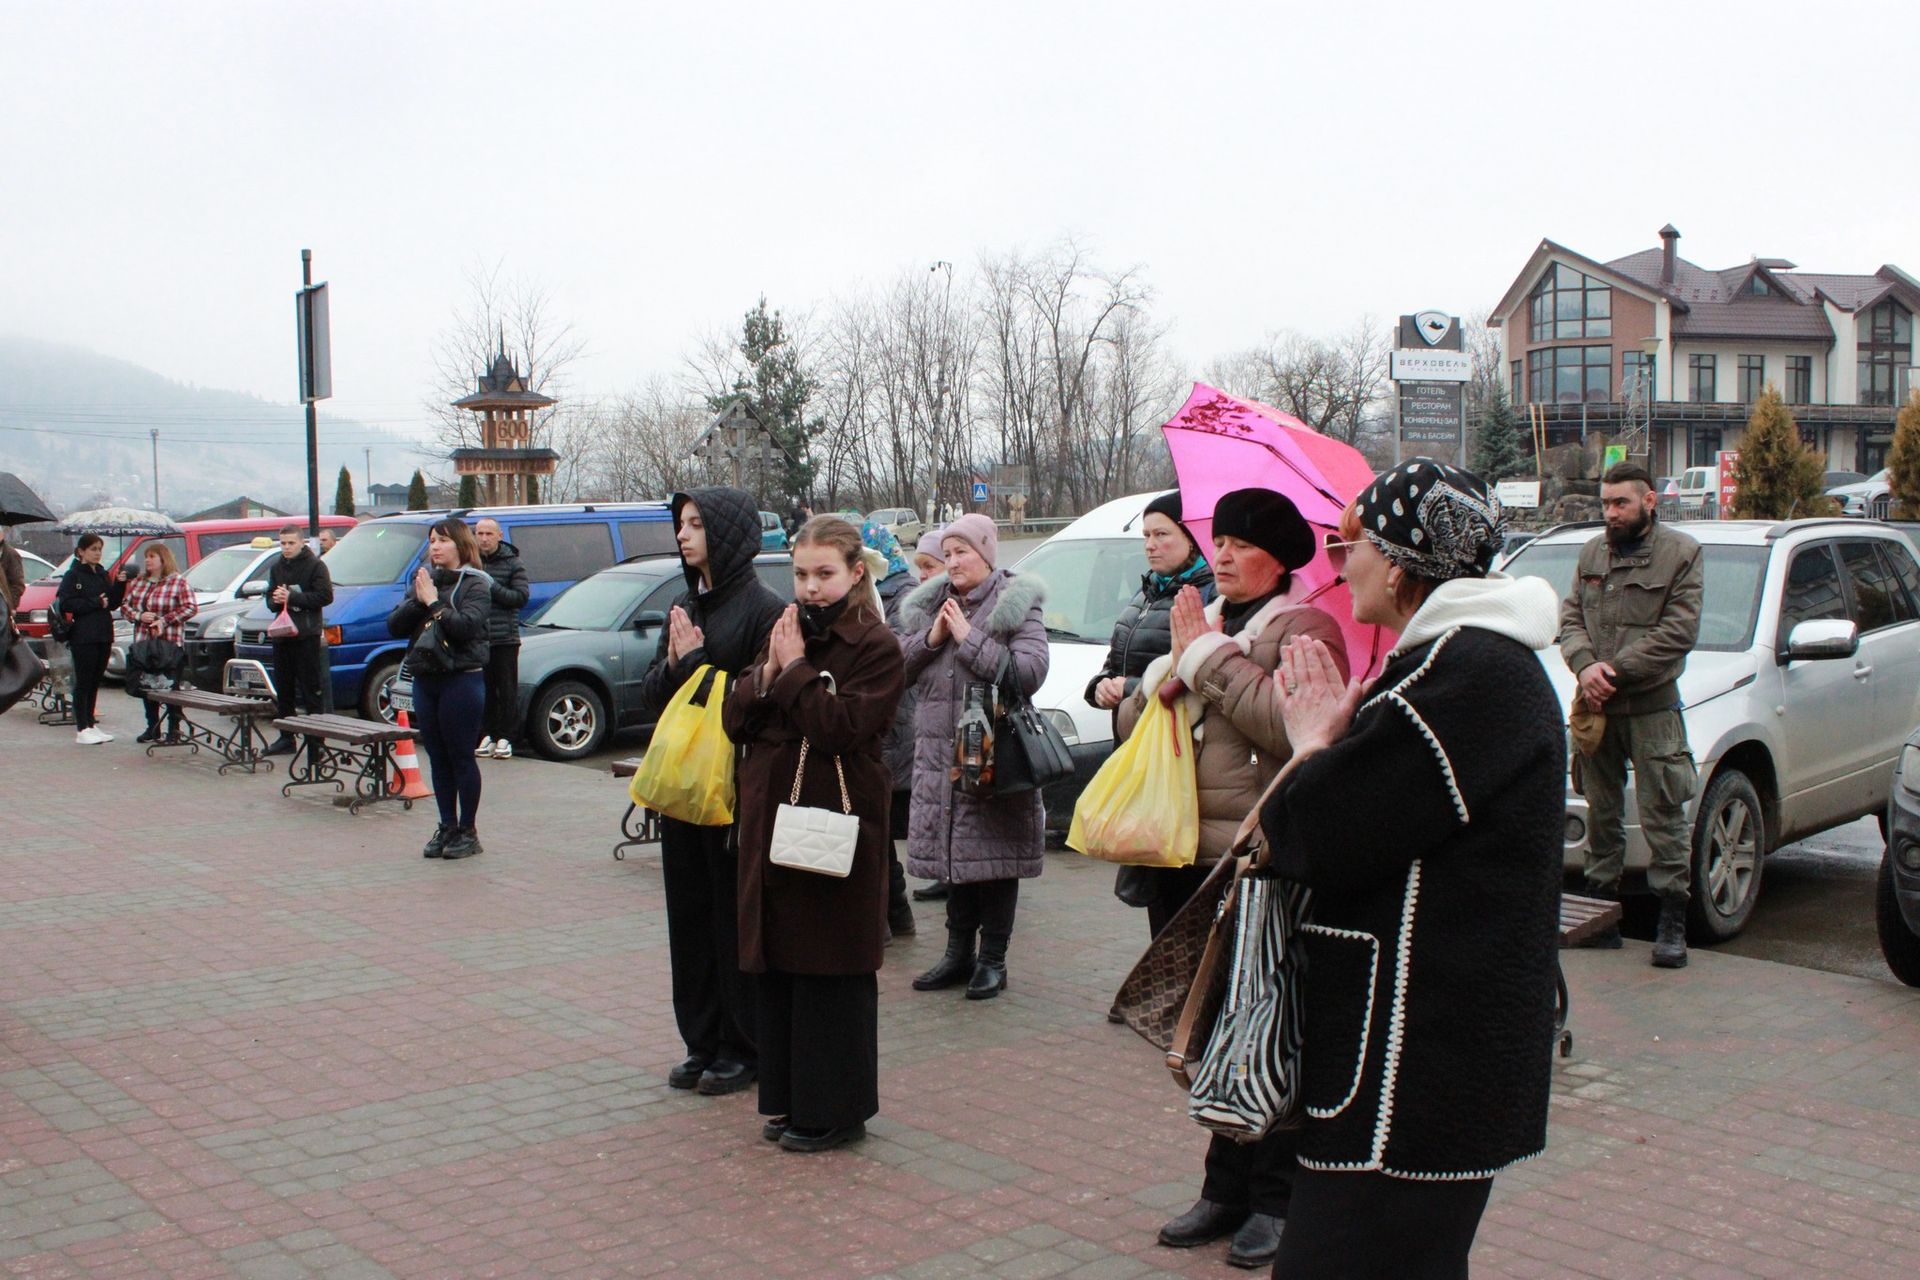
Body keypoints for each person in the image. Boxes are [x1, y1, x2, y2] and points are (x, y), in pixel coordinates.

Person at [1258, 459, 1562, 1278]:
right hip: (1427, 1064)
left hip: (1410, 1073)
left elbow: (1309, 835)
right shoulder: (1469, 665)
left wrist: (1312, 745)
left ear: (1394, 562)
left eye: (1346, 543)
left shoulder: (1460, 679)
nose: (1336, 561)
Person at [1116, 487, 1339, 1271]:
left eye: (1243, 546)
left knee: (1264, 1027)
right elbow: (1139, 730)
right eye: (1223, 543)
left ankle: (1277, 1199)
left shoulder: (1305, 628)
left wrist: (1207, 661)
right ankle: (1225, 1186)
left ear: (1279, 558)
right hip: (1185, 853)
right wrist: (1156, 680)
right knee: (1210, 1029)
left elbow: (1295, 728)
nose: (1226, 557)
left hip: (1257, 859)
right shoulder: (1210, 623)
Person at [722, 516, 904, 1153]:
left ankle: (838, 1109)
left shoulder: (875, 643)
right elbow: (735, 718)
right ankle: (792, 1098)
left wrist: (795, 669)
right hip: (773, 824)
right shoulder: (787, 629)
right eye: (800, 575)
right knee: (783, 966)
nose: (810, 588)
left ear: (856, 573)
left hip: (836, 823)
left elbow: (841, 729)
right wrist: (771, 673)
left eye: (824, 574)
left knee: (831, 966)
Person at [636, 487, 785, 1096]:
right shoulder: (684, 604)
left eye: (696, 524)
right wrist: (677, 667)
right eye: (679, 523)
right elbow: (653, 694)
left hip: (733, 791)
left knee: (731, 920)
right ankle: (700, 1040)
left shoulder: (764, 609)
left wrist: (697, 665)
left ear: (726, 533)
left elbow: (759, 704)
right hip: (683, 791)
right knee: (690, 918)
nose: (682, 534)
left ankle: (740, 1045)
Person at [898, 512, 1049, 1000]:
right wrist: (933, 640)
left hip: (994, 757)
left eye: (962, 552)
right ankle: (957, 953)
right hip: (942, 757)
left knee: (996, 858)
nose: (952, 561)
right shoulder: (929, 607)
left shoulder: (1016, 604)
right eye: (948, 552)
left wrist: (969, 639)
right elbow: (895, 671)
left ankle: (993, 960)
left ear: (986, 554)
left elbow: (1029, 672)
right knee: (955, 855)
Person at [1559, 460, 1704, 968]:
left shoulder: (1681, 554)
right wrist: (1583, 666)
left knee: (1664, 813)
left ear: (1649, 501)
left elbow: (1678, 634)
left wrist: (1611, 672)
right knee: (1601, 811)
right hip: (1596, 708)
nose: (1611, 513)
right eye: (1605, 503)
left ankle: (1671, 922)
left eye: (1620, 502)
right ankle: (1600, 913)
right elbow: (1571, 615)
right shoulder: (1593, 551)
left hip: (1650, 708)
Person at [386, 519, 494, 860]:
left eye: (443, 541)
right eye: (432, 540)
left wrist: (434, 603)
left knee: (461, 756)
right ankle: (446, 826)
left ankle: (468, 830)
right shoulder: (423, 580)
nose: (435, 547)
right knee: (437, 757)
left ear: (460, 545)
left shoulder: (477, 583)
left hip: (461, 679)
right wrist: (419, 600)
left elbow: (465, 627)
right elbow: (394, 625)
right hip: (426, 678)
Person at [1086, 491, 1215, 714]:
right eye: (1147, 535)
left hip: (1172, 739)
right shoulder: (1146, 591)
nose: (1149, 545)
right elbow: (1116, 663)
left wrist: (1129, 688)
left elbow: (1201, 682)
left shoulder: (1208, 595)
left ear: (1191, 540)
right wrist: (1101, 686)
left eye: (1161, 534)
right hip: (1131, 737)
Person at [863, 518, 920, 941]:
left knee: (875, 829)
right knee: (876, 831)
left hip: (895, 728)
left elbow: (898, 659)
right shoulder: (884, 592)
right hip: (892, 728)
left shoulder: (899, 596)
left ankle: (887, 918)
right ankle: (895, 914)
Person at [906, 526, 951, 903]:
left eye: (929, 565)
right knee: (935, 800)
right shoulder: (921, 609)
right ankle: (943, 871)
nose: (922, 574)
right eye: (919, 566)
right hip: (931, 723)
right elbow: (902, 663)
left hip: (960, 728)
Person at [262, 526, 333, 757]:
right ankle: (286, 737)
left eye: (291, 543)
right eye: (282, 543)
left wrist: (293, 597)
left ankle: (316, 742)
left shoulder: (315, 565)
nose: (286, 548)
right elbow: (270, 599)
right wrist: (275, 599)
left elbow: (325, 596)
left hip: (306, 636)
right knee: (284, 689)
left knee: (311, 689)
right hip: (283, 636)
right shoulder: (277, 567)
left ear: (302, 543)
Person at [120, 543, 197, 743]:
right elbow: (125, 606)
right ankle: (152, 727)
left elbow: (190, 607)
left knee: (170, 686)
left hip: (169, 643)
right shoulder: (140, 582)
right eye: (146, 557)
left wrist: (165, 620)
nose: (147, 561)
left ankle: (174, 729)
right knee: (147, 686)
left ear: (163, 559)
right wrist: (139, 615)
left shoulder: (178, 582)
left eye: (152, 556)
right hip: (144, 643)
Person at [54, 534, 126, 745]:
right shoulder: (73, 575)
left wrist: (120, 585)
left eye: (99, 549)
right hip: (83, 635)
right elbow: (66, 603)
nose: (97, 553)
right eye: (93, 549)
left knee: (95, 680)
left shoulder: (102, 574)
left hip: (103, 633)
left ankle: (91, 724)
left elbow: (112, 603)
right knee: (83, 681)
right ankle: (82, 727)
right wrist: (94, 602)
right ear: (81, 551)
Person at [471, 517, 530, 760]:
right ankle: (486, 734)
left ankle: (506, 738)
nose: (483, 538)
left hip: (505, 638)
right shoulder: (472, 562)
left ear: (499, 536)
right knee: (483, 690)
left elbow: (520, 597)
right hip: (479, 637)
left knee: (506, 690)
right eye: (479, 533)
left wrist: (492, 586)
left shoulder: (513, 563)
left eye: (488, 533)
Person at [0, 524, 25, 609]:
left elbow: (17, 584)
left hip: (2, 607)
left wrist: (10, 605)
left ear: (2, 535)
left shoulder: (11, 554)